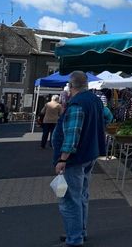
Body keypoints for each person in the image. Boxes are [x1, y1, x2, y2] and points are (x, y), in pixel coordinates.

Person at [52, 71, 109, 247]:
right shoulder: (95, 100)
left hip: (75, 158)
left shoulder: (77, 103)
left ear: (71, 86)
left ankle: (74, 238)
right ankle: (79, 231)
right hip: (90, 155)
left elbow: (72, 136)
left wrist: (62, 159)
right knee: (82, 195)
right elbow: (108, 117)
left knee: (70, 200)